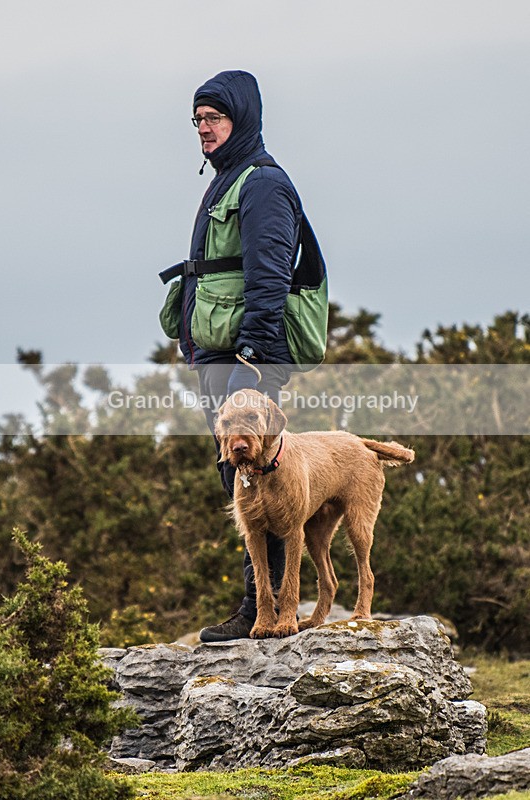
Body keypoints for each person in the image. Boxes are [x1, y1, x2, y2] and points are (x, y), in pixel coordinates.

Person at [178, 70, 305, 642]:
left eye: (215, 118)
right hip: (218, 353)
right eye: (198, 120)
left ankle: (269, 610)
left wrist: (252, 351)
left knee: (261, 480)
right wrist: (191, 340)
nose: (205, 129)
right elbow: (206, 273)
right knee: (237, 476)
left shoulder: (262, 185)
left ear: (242, 119)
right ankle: (258, 605)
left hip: (247, 358)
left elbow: (270, 272)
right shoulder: (227, 180)